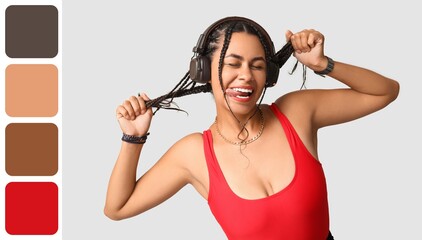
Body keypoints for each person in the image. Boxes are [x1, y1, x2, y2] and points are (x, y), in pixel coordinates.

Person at [104, 16, 399, 240]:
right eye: (233, 64)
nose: (246, 76)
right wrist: (133, 137)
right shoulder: (194, 154)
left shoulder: (296, 113)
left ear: (269, 75)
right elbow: (117, 208)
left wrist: (323, 65)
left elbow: (384, 92)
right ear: (203, 71)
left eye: (257, 66)